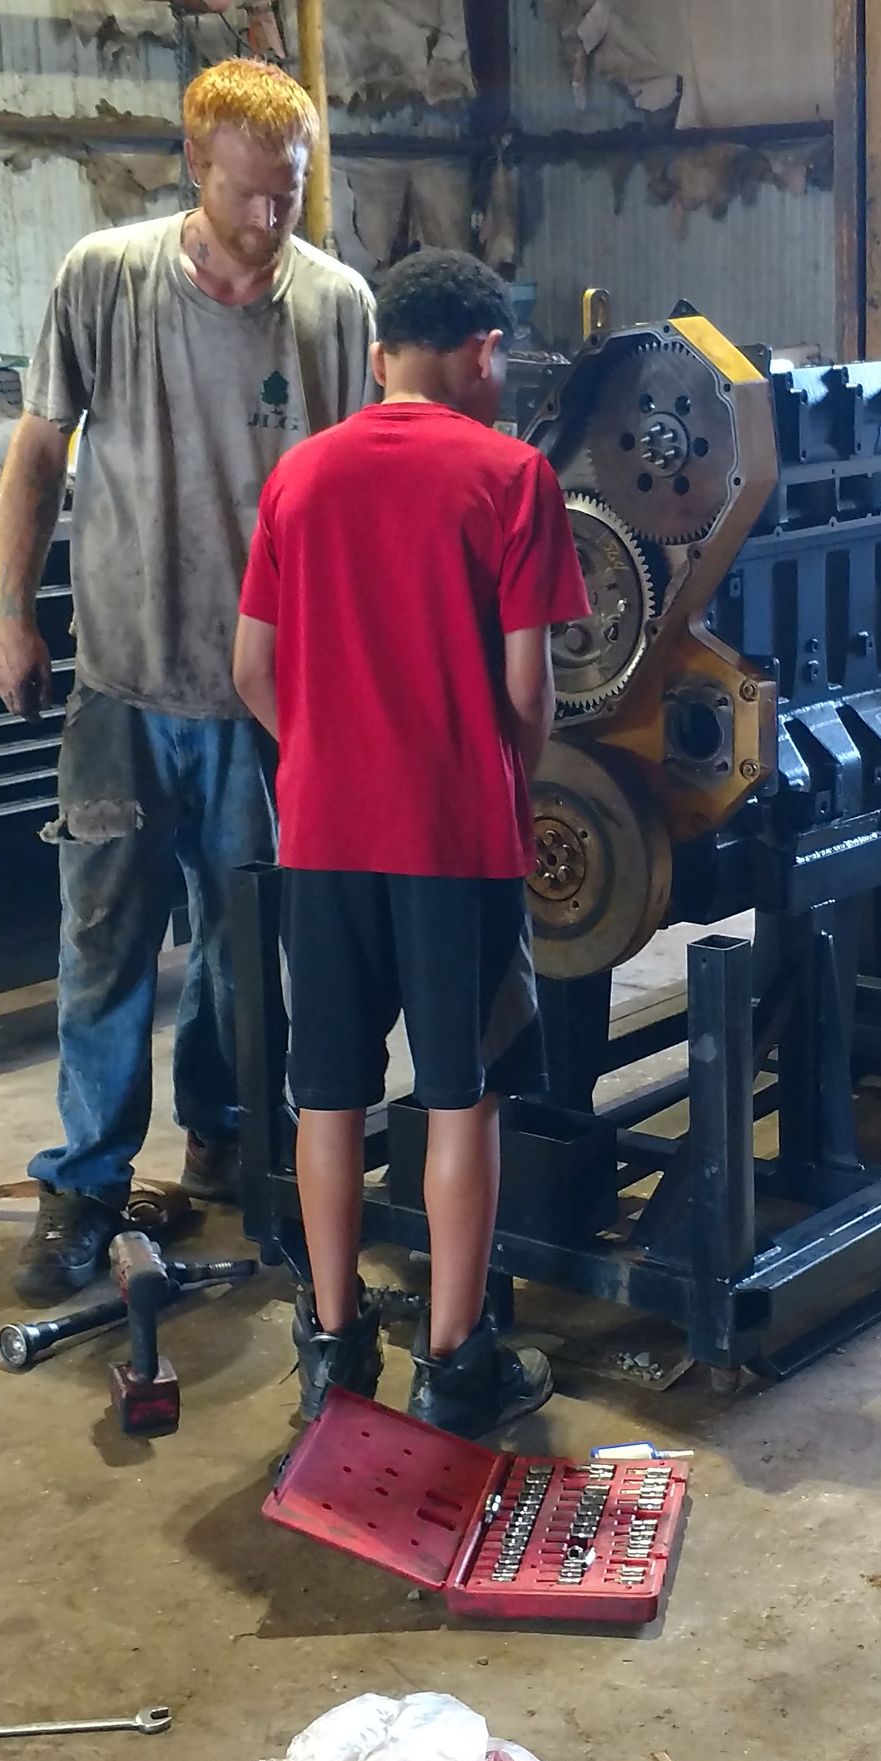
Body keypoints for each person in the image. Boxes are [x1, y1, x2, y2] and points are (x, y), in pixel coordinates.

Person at [0, 59, 373, 1304]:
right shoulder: (106, 278)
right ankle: (88, 1182)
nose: (270, 218)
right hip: (123, 679)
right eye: (250, 192)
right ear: (195, 163)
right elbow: (38, 449)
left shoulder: (336, 306)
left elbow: (362, 493)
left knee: (244, 944)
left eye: (289, 194)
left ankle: (232, 1138)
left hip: (270, 696)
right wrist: (12, 613)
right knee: (104, 938)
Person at [232, 246, 587, 1442]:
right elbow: (530, 689)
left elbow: (251, 666)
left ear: (381, 353)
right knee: (458, 1099)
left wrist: (326, 758)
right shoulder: (513, 474)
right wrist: (496, 779)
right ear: (484, 351)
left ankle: (333, 1354)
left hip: (323, 835)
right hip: (453, 839)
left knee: (327, 1097)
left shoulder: (299, 474)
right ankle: (452, 1365)